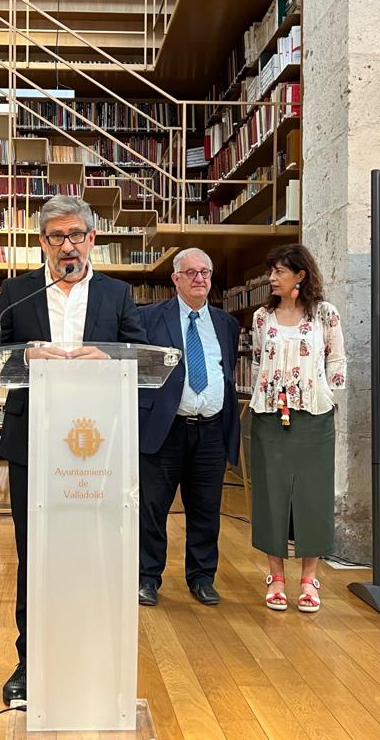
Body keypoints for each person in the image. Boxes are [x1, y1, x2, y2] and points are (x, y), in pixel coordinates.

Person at [0, 194, 146, 705]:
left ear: (92, 238)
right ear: (43, 242)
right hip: (33, 439)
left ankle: (93, 656)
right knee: (35, 553)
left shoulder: (117, 293)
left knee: (95, 549)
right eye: (56, 237)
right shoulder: (19, 292)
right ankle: (30, 661)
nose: (67, 245)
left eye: (75, 235)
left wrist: (110, 357)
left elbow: (142, 355)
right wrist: (27, 354)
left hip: (98, 446)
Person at [137, 247, 240, 607]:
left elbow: (226, 373)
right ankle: (147, 577)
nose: (200, 278)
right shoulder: (148, 318)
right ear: (175, 279)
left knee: (206, 510)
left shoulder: (226, 324)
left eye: (205, 272)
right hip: (164, 430)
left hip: (211, 431)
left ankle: (201, 578)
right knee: (152, 509)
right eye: (191, 272)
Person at [249, 243, 346, 613]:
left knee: (313, 497)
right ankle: (275, 577)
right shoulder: (262, 317)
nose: (271, 278)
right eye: (271, 271)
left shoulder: (325, 314)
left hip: (314, 416)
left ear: (300, 275)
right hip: (269, 416)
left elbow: (337, 361)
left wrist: (322, 394)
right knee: (270, 495)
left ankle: (309, 579)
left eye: (279, 271)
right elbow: (257, 362)